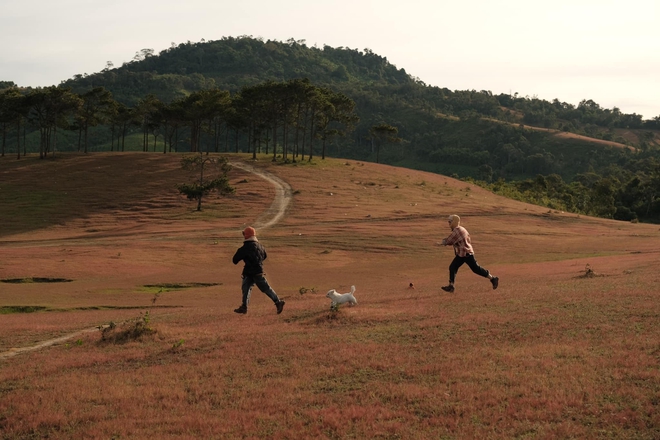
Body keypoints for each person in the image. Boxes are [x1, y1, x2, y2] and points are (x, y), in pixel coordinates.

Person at [437, 215, 498, 293]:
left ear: (454, 222)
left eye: (450, 222)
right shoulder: (461, 228)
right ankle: (451, 286)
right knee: (453, 267)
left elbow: (449, 240)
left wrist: (441, 243)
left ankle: (493, 278)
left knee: (476, 269)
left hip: (466, 253)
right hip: (463, 253)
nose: (449, 223)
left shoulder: (457, 230)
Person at [232, 226, 285, 314]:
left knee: (261, 288)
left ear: (246, 235)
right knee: (247, 287)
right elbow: (264, 256)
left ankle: (278, 302)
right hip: (256, 271)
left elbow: (235, 260)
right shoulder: (260, 246)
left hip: (251, 272)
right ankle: (244, 307)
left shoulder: (245, 247)